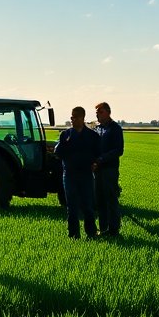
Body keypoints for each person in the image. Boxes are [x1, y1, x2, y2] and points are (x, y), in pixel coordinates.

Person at [55, 106, 100, 239]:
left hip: (86, 174)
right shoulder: (66, 135)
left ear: (82, 118)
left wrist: (95, 163)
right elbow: (58, 153)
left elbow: (98, 153)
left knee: (88, 205)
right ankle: (73, 234)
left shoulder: (92, 136)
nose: (72, 119)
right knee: (72, 206)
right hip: (69, 175)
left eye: (75, 117)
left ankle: (91, 233)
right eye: (71, 117)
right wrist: (65, 148)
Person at [94, 101, 125, 237]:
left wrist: (101, 159)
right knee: (100, 199)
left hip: (109, 169)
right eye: (97, 112)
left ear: (108, 112)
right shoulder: (98, 128)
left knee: (110, 199)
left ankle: (114, 230)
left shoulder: (115, 129)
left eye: (100, 112)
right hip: (97, 170)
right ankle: (103, 228)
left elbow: (118, 150)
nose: (98, 115)